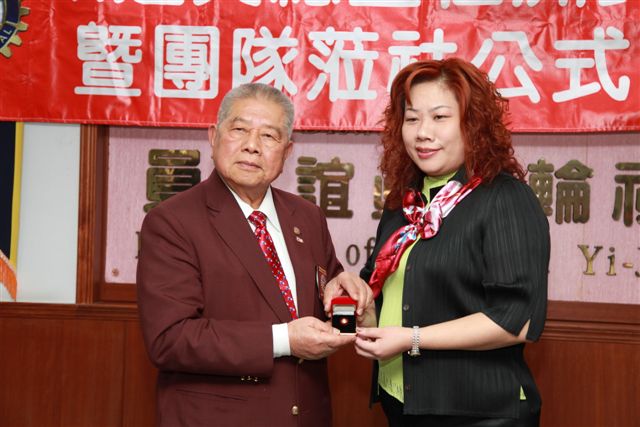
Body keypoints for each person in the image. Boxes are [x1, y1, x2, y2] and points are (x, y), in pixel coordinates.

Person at [136, 82, 372, 427]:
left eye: (269, 136)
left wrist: (349, 302)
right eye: (240, 129)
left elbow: (332, 311)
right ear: (213, 136)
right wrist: (284, 340)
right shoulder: (173, 222)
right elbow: (170, 339)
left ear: (287, 151)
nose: (252, 145)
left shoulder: (307, 217)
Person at [355, 58, 550, 427]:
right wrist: (357, 301)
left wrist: (412, 339)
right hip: (403, 402)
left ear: (472, 124)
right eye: (412, 119)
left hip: (478, 412)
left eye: (439, 117)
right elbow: (389, 297)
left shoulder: (504, 198)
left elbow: (518, 320)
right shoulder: (405, 202)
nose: (422, 133)